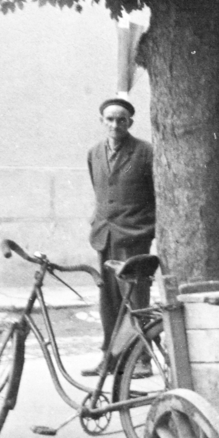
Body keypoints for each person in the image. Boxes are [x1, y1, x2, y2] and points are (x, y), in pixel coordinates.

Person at [85, 96, 155, 376]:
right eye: (110, 119)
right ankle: (110, 358)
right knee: (109, 301)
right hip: (105, 236)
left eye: (121, 120)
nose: (115, 124)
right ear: (102, 122)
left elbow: (155, 194)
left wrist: (145, 226)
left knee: (136, 298)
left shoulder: (144, 152)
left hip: (134, 235)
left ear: (130, 123)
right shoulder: (94, 153)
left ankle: (143, 359)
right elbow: (100, 190)